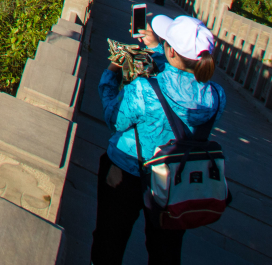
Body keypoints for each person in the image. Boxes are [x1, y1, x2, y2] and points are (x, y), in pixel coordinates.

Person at [94, 14, 223, 265]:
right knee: (165, 252)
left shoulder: (145, 88)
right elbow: (182, 76)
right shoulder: (216, 96)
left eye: (165, 41)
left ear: (172, 51)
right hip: (177, 180)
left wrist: (111, 72)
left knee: (109, 242)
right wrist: (155, 47)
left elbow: (113, 118)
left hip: (127, 173)